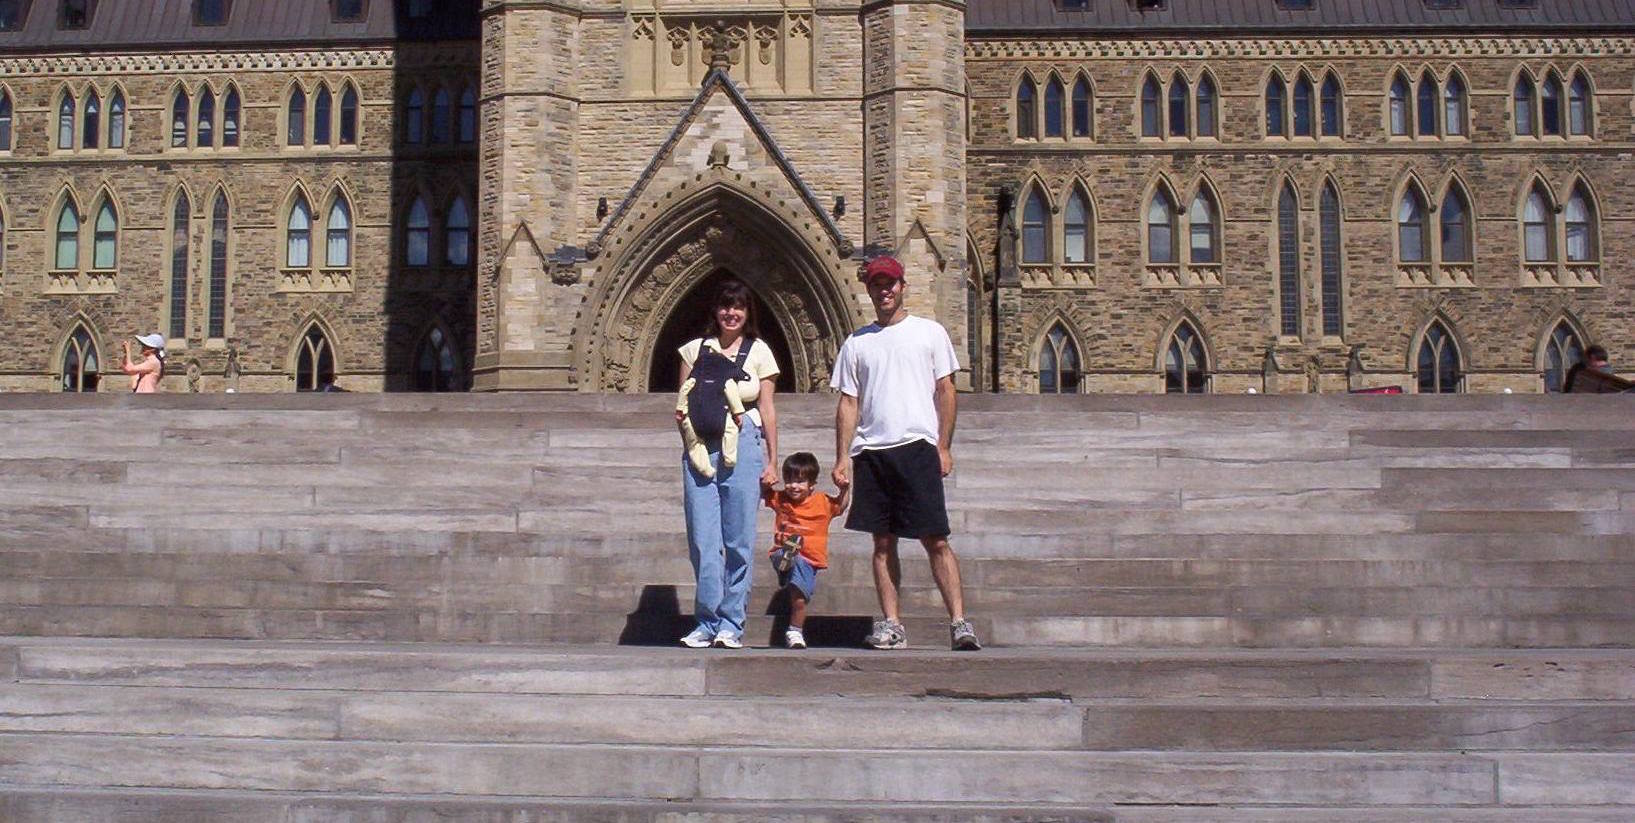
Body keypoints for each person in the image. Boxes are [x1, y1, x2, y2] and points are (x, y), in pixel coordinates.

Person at [832, 255, 981, 651]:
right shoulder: (856, 343)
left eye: (891, 283)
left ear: (903, 286)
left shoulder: (928, 333)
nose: (885, 290)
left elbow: (946, 390)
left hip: (917, 447)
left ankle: (960, 622)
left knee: (935, 539)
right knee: (882, 543)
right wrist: (842, 456)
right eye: (878, 284)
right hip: (873, 450)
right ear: (869, 289)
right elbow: (849, 402)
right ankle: (892, 623)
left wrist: (943, 446)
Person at [675, 279, 780, 649]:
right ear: (715, 310)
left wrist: (773, 460)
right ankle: (706, 620)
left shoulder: (760, 352)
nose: (730, 312)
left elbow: (767, 408)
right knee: (704, 539)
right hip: (701, 447)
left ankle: (731, 623)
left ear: (748, 312)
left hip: (745, 446)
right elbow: (682, 402)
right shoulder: (693, 350)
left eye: (738, 306)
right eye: (724, 305)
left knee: (738, 540)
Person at [762, 452, 850, 649]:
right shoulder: (781, 498)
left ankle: (795, 631)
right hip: (781, 551)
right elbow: (762, 493)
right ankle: (786, 564)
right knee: (790, 549)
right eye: (790, 481)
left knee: (800, 599)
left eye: (800, 482)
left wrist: (844, 489)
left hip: (810, 560)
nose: (794, 486)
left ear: (812, 484)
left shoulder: (823, 502)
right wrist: (767, 481)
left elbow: (841, 507)